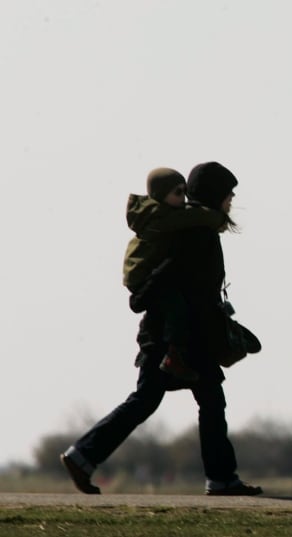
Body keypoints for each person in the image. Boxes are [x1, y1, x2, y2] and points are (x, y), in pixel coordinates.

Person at [60, 161, 263, 496]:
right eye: (228, 193)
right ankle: (221, 478)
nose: (232, 199)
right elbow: (172, 277)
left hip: (182, 335)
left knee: (175, 399)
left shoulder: (194, 226)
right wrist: (169, 333)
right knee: (185, 400)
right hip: (175, 337)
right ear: (215, 194)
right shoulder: (197, 231)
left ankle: (84, 456)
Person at [123, 167, 226, 382]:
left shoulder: (164, 213)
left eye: (184, 191)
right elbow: (195, 217)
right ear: (161, 196)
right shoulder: (162, 216)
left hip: (145, 278)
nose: (183, 198)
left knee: (146, 401)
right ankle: (173, 355)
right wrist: (216, 217)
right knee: (176, 310)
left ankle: (175, 355)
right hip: (142, 278)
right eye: (177, 193)